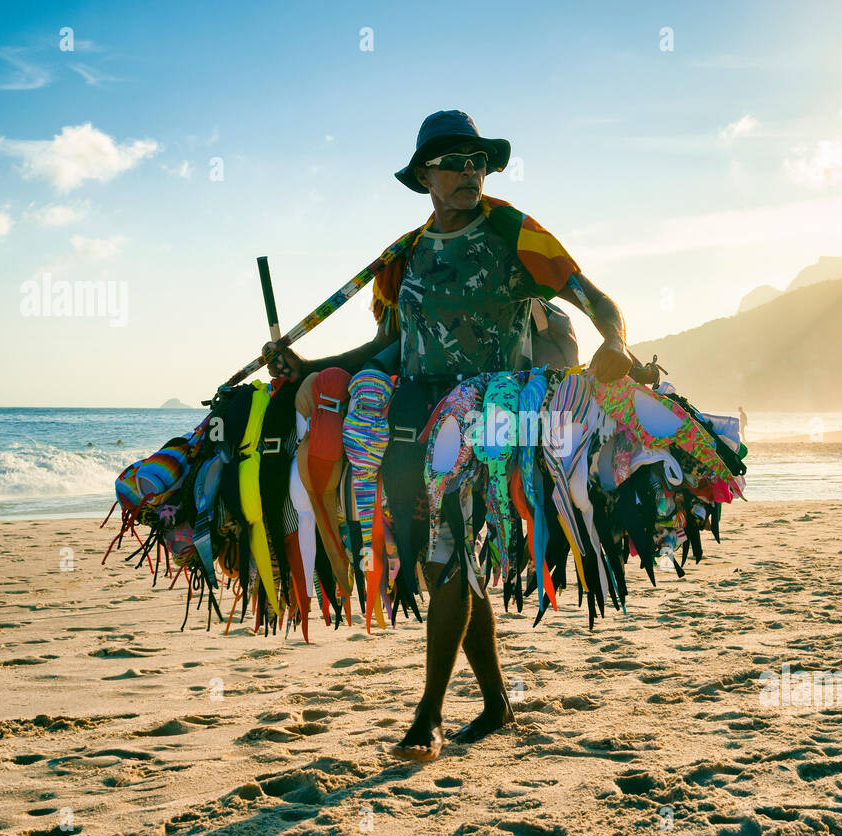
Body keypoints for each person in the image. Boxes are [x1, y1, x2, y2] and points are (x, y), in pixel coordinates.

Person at [261, 111, 633, 761]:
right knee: (444, 565)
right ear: (424, 175)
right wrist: (311, 368)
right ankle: (495, 702)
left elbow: (596, 298)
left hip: (492, 415)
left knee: (449, 545)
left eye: (477, 159)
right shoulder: (405, 256)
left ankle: (426, 719)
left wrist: (616, 342)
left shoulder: (515, 232)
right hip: (413, 417)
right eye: (454, 161)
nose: (469, 171)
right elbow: (388, 345)